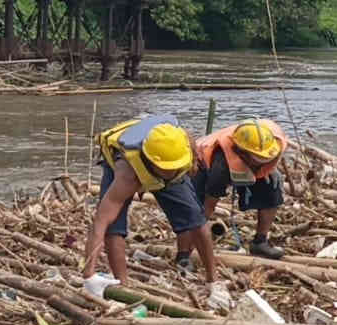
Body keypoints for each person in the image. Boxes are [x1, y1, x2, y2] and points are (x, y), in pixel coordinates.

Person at [81, 114, 228, 311]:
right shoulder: (127, 173)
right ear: (151, 162)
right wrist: (88, 275)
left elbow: (199, 224)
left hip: (168, 161)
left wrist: (214, 283)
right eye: (164, 170)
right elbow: (101, 222)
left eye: (173, 169)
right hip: (128, 161)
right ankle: (122, 285)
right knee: (113, 227)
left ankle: (213, 281)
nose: (169, 173)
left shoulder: (183, 150)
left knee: (196, 219)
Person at [188, 117, 290, 263]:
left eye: (265, 158)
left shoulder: (274, 140)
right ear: (243, 153)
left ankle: (260, 242)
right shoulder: (221, 165)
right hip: (202, 162)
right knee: (196, 206)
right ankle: (188, 247)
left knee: (272, 189)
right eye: (258, 159)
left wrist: (271, 168)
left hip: (249, 158)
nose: (262, 162)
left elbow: (268, 157)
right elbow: (209, 204)